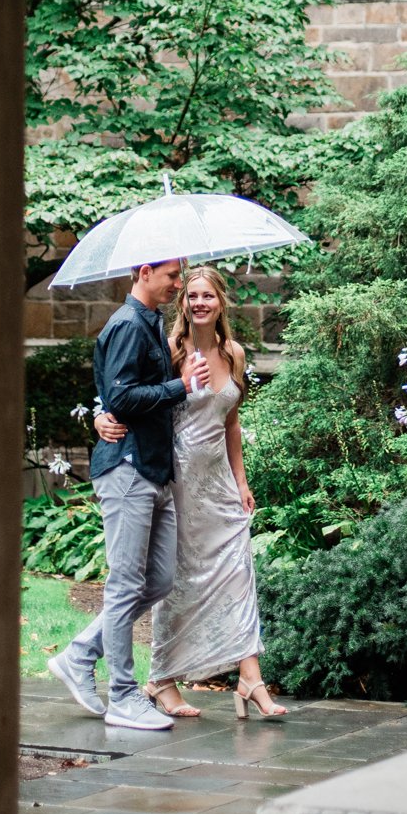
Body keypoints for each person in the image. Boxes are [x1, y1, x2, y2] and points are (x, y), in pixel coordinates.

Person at [93, 265, 287, 720]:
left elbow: (232, 423)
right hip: (174, 475)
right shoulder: (170, 348)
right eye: (191, 295)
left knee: (239, 572)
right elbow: (129, 392)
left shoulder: (234, 353)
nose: (198, 302)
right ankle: (162, 679)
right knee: (172, 583)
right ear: (183, 304)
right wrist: (99, 417)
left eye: (207, 296)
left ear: (221, 302)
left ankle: (250, 676)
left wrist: (241, 481)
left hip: (218, 480)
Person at [47, 256, 208, 732]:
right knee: (123, 586)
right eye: (172, 276)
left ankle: (79, 655)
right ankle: (121, 695)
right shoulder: (127, 325)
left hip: (154, 471)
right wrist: (182, 385)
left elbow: (117, 393)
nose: (179, 285)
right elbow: (120, 398)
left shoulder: (150, 323)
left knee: (156, 581)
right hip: (127, 471)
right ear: (143, 272)